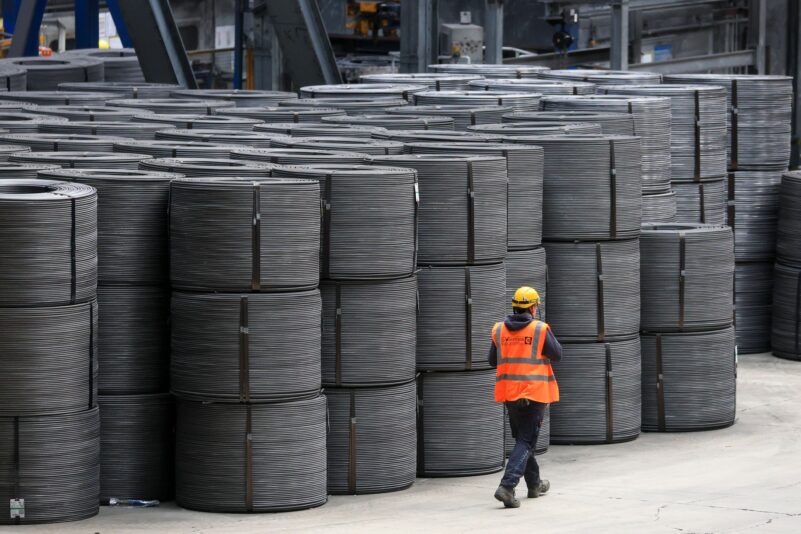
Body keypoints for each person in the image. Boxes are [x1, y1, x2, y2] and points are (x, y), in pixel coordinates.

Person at [489, 286, 561, 508]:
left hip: (510, 395)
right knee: (526, 441)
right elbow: (557, 354)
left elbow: (492, 360)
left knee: (523, 439)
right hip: (533, 394)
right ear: (532, 307)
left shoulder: (499, 330)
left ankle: (534, 484)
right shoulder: (539, 329)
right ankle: (507, 487)